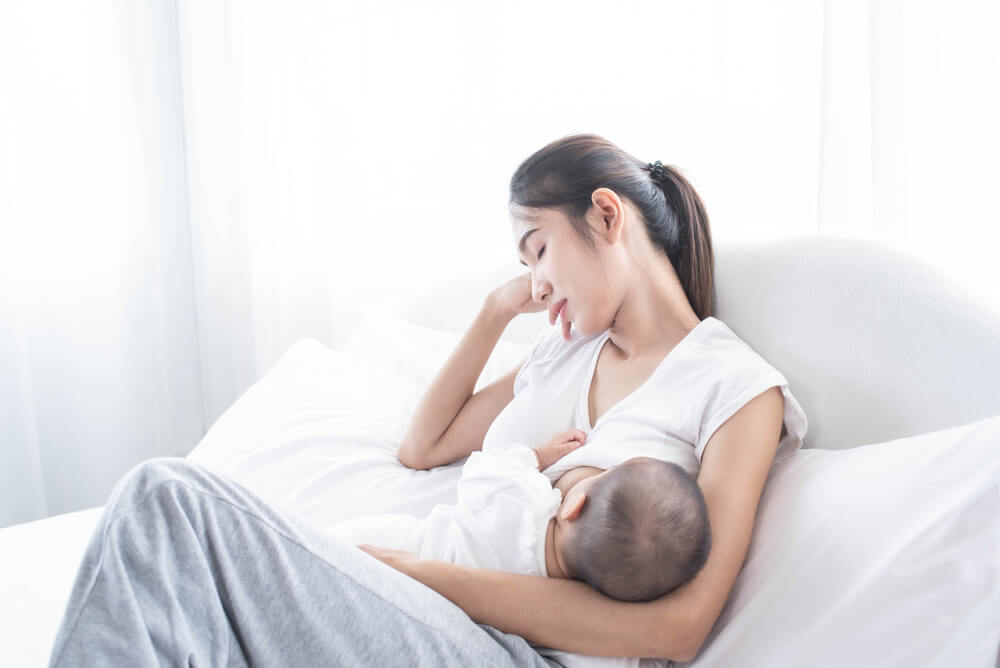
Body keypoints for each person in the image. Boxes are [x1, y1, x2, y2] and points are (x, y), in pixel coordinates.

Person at [47, 132, 808, 667]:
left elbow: (679, 626)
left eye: (539, 248)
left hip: (503, 645)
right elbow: (426, 445)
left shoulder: (734, 388)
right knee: (189, 597)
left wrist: (416, 574)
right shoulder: (562, 353)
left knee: (167, 503)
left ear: (607, 216)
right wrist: (493, 313)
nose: (538, 282)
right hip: (428, 620)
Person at [329, 429, 712, 667]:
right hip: (423, 628)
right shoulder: (574, 627)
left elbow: (483, 469)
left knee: (329, 548)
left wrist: (537, 456)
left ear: (574, 505)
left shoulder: (522, 496)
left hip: (401, 546)